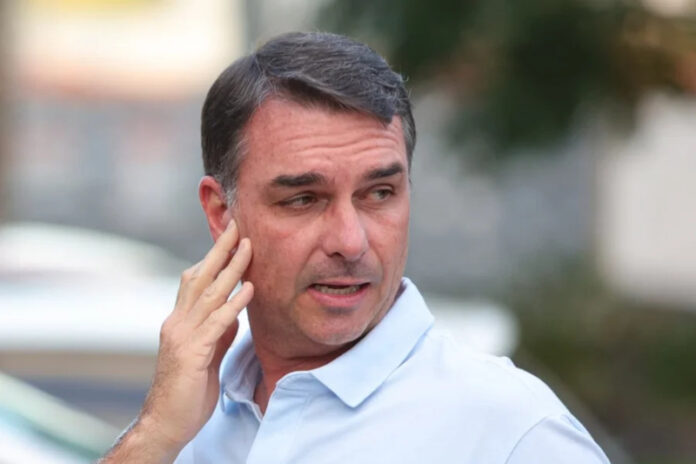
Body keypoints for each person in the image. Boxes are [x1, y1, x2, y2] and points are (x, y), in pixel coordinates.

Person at [101, 32, 610, 463]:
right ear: (221, 212)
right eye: (304, 199)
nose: (350, 241)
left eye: (379, 193)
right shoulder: (188, 420)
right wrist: (153, 437)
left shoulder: (512, 433)